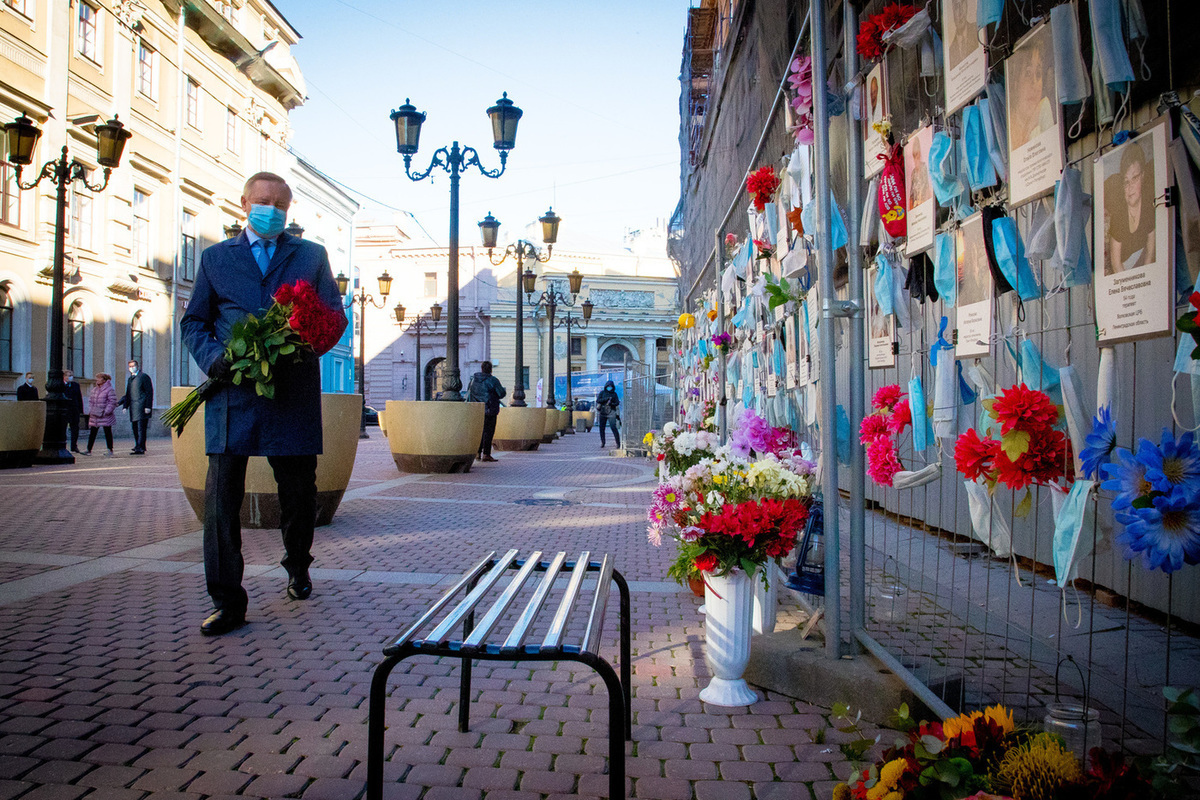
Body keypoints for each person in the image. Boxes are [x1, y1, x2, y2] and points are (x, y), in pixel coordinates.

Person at [181, 171, 347, 637]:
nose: (270, 209)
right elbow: (194, 321)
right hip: (232, 393)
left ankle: (298, 566)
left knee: (298, 494)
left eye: (280, 204)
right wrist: (215, 359)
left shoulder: (311, 256)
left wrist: (304, 340)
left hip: (290, 394)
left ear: (288, 211)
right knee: (220, 502)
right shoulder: (215, 258)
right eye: (263, 201)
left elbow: (334, 317)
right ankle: (227, 601)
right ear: (244, 203)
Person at [1106, 140, 1156, 275]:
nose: (1130, 188)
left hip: (1143, 267)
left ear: (1143, 176)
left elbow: (1150, 253)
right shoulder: (1119, 215)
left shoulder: (1149, 206)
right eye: (1126, 182)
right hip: (1124, 270)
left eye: (1135, 178)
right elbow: (1116, 264)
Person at [466, 361, 506, 462]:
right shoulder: (493, 380)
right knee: (489, 432)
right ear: (491, 369)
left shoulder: (473, 381)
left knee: (479, 432)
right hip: (490, 410)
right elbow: (501, 393)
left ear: (482, 368)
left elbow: (468, 394)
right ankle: (486, 454)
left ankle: (478, 453)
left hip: (476, 411)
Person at [117, 360, 153, 455]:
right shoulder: (130, 379)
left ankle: (140, 447)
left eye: (133, 366)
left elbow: (149, 392)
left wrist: (148, 406)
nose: (132, 368)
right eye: (130, 366)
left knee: (141, 428)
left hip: (142, 406)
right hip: (133, 408)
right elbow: (128, 394)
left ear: (137, 366)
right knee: (135, 428)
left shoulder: (144, 377)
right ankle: (138, 445)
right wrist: (125, 406)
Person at [84, 372, 117, 457]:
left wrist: (106, 411)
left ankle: (110, 450)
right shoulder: (94, 390)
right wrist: (91, 410)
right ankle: (88, 450)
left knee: (107, 432)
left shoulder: (109, 390)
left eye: (99, 378)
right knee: (93, 432)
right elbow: (91, 401)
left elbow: (112, 402)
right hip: (95, 415)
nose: (97, 380)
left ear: (104, 380)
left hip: (105, 415)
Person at [63, 370, 84, 453]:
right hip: (64, 410)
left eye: (71, 375)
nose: (70, 377)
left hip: (74, 409)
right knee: (63, 429)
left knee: (75, 428)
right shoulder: (60, 386)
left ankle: (74, 446)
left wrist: (80, 410)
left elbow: (79, 397)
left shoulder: (75, 385)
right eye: (68, 375)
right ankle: (63, 445)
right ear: (64, 377)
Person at [596, 380, 621, 449]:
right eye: (608, 386)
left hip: (611, 411)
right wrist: (606, 399)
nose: (609, 387)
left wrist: (611, 403)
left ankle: (618, 443)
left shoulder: (614, 394)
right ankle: (603, 442)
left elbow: (617, 403)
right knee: (601, 428)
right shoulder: (602, 393)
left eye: (611, 386)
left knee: (613, 427)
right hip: (603, 412)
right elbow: (598, 400)